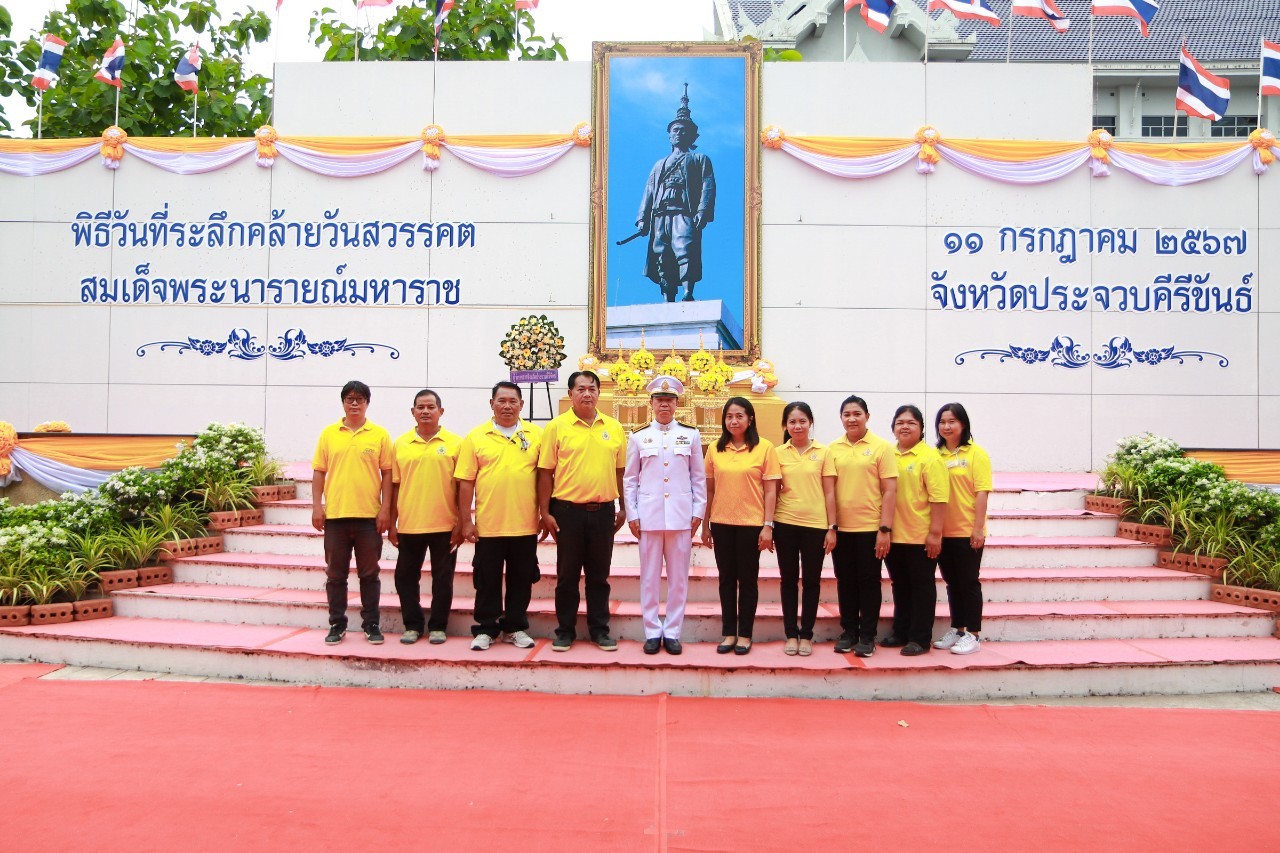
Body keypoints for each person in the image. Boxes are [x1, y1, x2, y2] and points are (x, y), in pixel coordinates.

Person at [538, 370, 627, 651]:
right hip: (567, 512)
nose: (587, 393)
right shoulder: (556, 427)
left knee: (599, 575)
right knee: (567, 575)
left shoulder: (613, 427)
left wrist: (624, 507)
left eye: (592, 389)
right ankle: (565, 631)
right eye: (581, 389)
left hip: (603, 512)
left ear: (599, 393)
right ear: (570, 394)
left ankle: (600, 630)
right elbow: (545, 473)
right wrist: (545, 512)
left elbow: (620, 471)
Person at [456, 382, 544, 652]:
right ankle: (486, 628)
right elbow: (466, 482)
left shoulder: (537, 435)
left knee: (521, 579)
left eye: (512, 401)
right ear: (491, 403)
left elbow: (544, 478)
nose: (507, 406)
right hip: (489, 525)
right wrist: (466, 520)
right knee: (486, 579)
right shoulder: (476, 437)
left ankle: (515, 627)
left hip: (525, 524)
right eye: (501, 400)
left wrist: (544, 512)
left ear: (522, 405)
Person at [623, 375, 707, 655]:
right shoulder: (638, 436)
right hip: (649, 516)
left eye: (669, 401)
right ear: (651, 403)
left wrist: (698, 511)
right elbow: (630, 479)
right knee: (649, 577)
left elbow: (698, 478)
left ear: (676, 404)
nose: (664, 405)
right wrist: (632, 514)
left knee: (678, 578)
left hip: (681, 517)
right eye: (659, 400)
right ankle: (651, 630)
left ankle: (672, 631)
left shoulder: (691, 435)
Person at [311, 380, 393, 646]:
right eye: (349, 398)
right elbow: (319, 472)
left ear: (367, 402)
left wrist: (385, 510)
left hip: (369, 518)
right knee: (336, 575)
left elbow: (388, 474)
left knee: (370, 574)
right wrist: (316, 506)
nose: (354, 403)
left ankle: (371, 624)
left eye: (359, 399)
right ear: (343, 402)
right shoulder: (329, 434)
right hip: (335, 517)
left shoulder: (379, 434)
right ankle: (337, 623)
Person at [701, 396, 780, 656]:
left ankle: (745, 634)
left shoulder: (764, 448)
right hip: (721, 523)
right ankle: (729, 633)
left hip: (751, 525)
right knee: (726, 580)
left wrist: (767, 525)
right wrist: (705, 524)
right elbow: (709, 490)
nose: (734, 421)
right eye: (729, 417)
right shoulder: (715, 448)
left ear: (750, 419)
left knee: (747, 581)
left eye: (739, 416)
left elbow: (771, 491)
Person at [822, 395, 897, 658]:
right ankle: (849, 632)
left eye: (857, 414)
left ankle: (867, 636)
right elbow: (829, 491)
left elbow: (890, 490)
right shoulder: (832, 449)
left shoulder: (881, 448)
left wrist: (884, 529)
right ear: (841, 418)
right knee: (845, 582)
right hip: (842, 529)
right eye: (846, 415)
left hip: (870, 529)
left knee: (868, 582)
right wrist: (831, 526)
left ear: (867, 416)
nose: (851, 419)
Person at [388, 389, 461, 645]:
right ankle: (413, 625)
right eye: (421, 407)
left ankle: (439, 626)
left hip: (445, 524)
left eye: (431, 407)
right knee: (404, 577)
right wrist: (391, 522)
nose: (426, 411)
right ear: (413, 412)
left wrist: (462, 522)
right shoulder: (400, 444)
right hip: (410, 524)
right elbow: (395, 485)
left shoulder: (455, 443)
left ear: (441, 411)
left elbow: (463, 487)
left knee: (443, 579)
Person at [635, 84, 715, 303]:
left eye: (684, 130)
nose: (679, 133)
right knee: (662, 254)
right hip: (660, 214)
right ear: (669, 135)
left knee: (685, 248)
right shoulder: (659, 165)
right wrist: (642, 218)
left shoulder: (699, 160)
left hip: (683, 212)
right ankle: (667, 297)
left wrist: (702, 211)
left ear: (692, 136)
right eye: (675, 130)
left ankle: (688, 293)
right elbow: (649, 191)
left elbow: (708, 185)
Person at [880, 405, 949, 656]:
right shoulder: (887, 455)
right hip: (893, 535)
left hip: (920, 536)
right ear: (893, 428)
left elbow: (939, 499)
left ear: (921, 429)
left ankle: (920, 638)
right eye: (900, 422)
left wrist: (935, 534)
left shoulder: (930, 458)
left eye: (911, 422)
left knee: (921, 587)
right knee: (900, 585)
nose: (905, 427)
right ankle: (901, 632)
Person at [932, 402, 993, 656]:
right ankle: (957, 629)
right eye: (942, 422)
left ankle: (973, 634)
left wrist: (977, 529)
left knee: (968, 583)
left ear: (963, 424)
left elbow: (981, 493)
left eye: (952, 421)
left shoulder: (975, 454)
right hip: (942, 532)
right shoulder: (935, 454)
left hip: (967, 531)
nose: (946, 426)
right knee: (951, 583)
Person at [773, 402, 827, 657]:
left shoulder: (823, 452)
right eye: (792, 422)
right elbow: (772, 491)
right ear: (785, 425)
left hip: (815, 525)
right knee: (788, 580)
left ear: (810, 423)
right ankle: (791, 634)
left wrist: (832, 527)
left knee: (812, 581)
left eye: (802, 421)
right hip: (785, 523)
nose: (797, 426)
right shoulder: (777, 453)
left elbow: (829, 492)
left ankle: (807, 634)